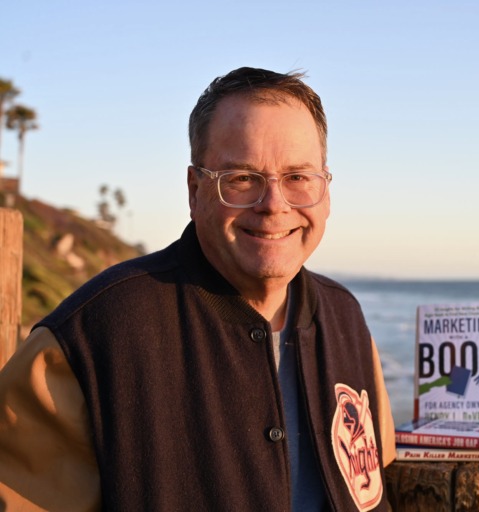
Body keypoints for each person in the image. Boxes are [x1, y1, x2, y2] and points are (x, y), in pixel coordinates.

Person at [0, 67, 395, 511]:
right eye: (241, 178)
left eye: (298, 177)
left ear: (326, 190)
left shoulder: (345, 320)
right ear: (194, 190)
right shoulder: (89, 338)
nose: (274, 205)